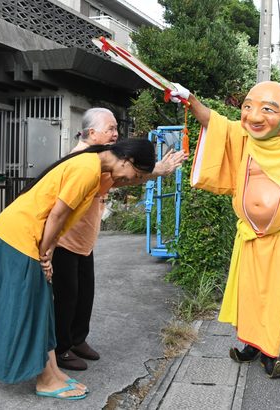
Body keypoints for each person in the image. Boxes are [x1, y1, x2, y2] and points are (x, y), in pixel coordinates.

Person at [0, 138, 156, 400]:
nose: (135, 180)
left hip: (24, 234)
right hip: (20, 236)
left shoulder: (94, 166)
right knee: (31, 309)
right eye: (138, 174)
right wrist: (46, 255)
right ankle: (45, 379)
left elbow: (59, 216)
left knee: (41, 307)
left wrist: (48, 251)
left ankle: (51, 372)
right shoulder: (87, 169)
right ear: (127, 160)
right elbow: (57, 214)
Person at [169, 81, 280, 379]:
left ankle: (271, 351)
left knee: (278, 295)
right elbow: (214, 123)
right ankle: (251, 345)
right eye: (248, 107)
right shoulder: (246, 137)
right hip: (249, 234)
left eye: (267, 109)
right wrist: (191, 99)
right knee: (250, 293)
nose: (254, 116)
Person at [53, 108, 187, 371]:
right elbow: (59, 212)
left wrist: (158, 170)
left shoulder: (99, 159)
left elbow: (118, 179)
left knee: (84, 294)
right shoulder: (81, 161)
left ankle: (77, 340)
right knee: (66, 298)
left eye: (116, 128)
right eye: (110, 129)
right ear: (92, 133)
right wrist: (157, 170)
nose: (116, 134)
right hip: (64, 242)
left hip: (83, 242)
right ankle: (60, 349)